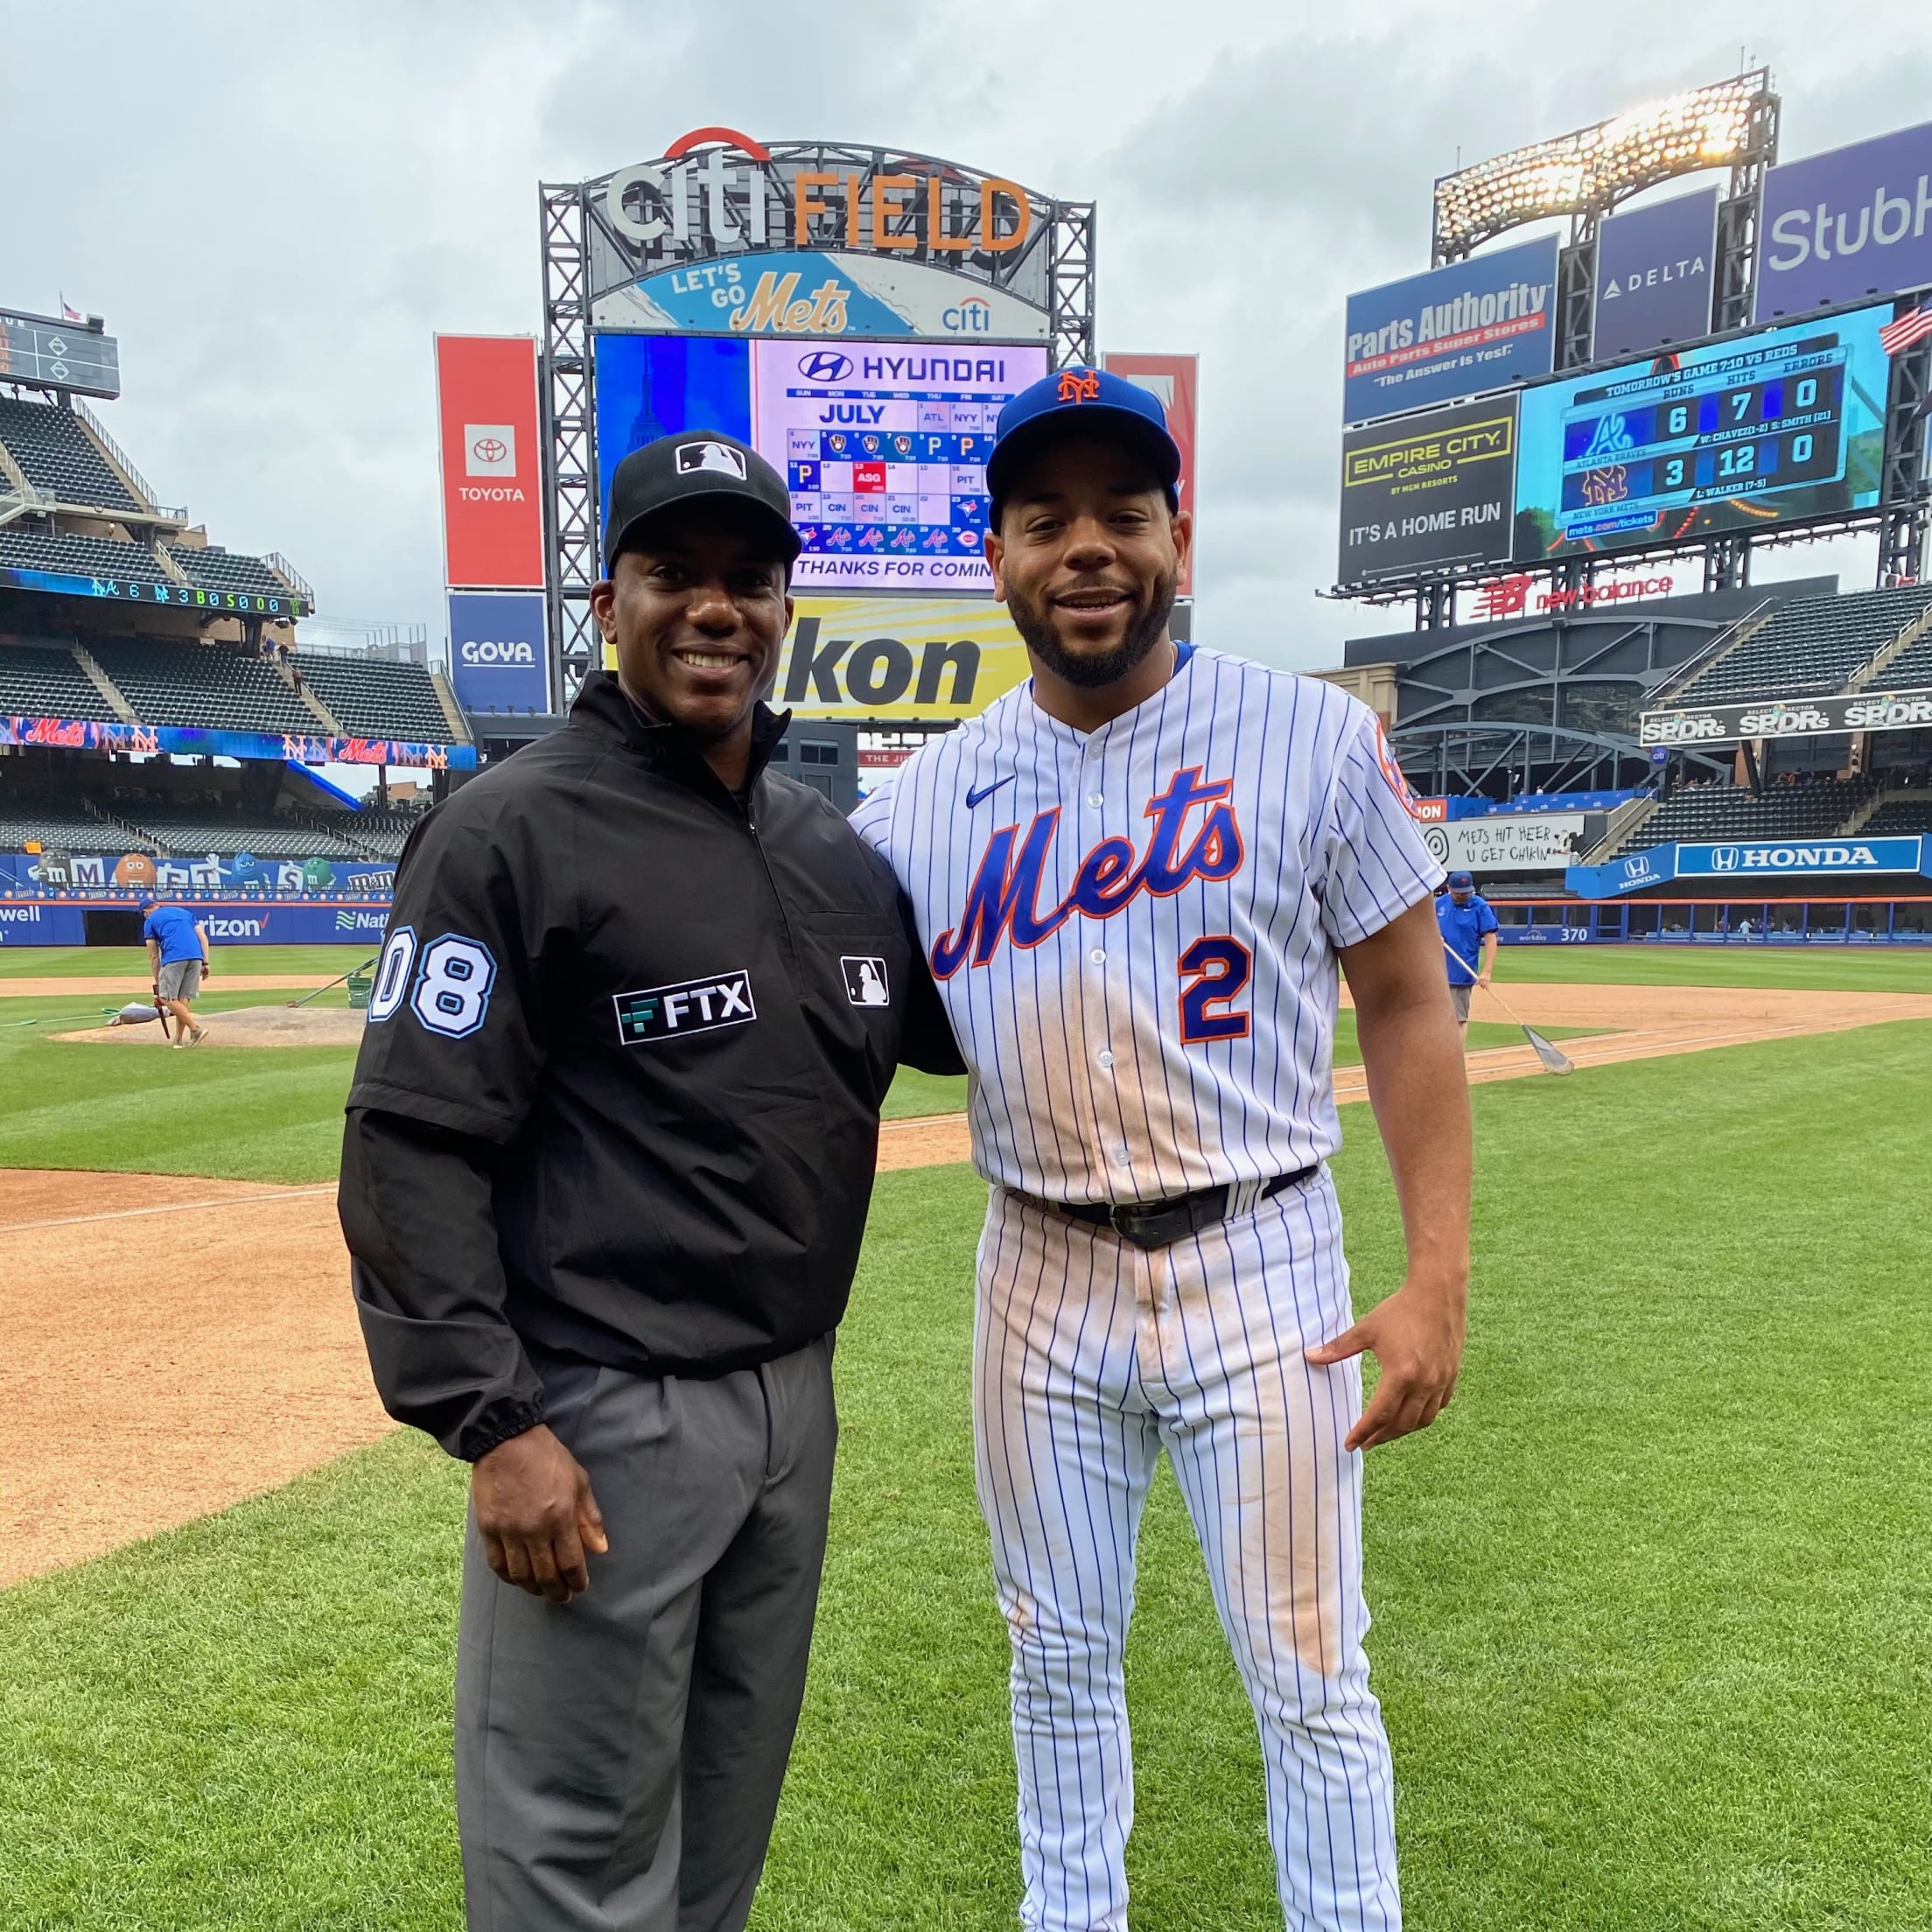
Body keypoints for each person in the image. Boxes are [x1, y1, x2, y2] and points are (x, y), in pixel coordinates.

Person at [852, 367, 1472, 1931]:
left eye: (1121, 513)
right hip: (1036, 1272)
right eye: (1044, 517)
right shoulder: (916, 806)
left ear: (1176, 541)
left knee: (1308, 1668)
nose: (1086, 547)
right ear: (993, 554)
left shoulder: (1308, 737)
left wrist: (1436, 1276)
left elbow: (1405, 1003)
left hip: (1267, 1257)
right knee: (1053, 1658)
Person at [337, 430, 960, 1932]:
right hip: (599, 1410)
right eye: (670, 572)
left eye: (748, 579)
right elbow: (410, 1138)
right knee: (572, 1856)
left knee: (718, 1831)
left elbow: (959, 1029)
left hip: (788, 1408)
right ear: (605, 599)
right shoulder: (507, 828)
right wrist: (495, 1420)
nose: (713, 608)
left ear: (784, 607)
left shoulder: (833, 850)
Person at [1435, 869, 1499, 1040]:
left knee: (1458, 1020)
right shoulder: (1439, 904)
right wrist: (1432, 936)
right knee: (1433, 1019)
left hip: (1461, 972)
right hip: (1435, 971)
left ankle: (1457, 1062)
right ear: (1449, 888)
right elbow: (1422, 929)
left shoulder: (1479, 906)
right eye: (1459, 893)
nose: (1463, 896)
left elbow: (1491, 939)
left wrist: (1486, 972)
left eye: (1466, 892)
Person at [139, 894, 210, 1046]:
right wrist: (206, 962)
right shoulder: (185, 913)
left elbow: (153, 956)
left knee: (167, 998)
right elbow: (203, 937)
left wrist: (159, 985)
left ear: (146, 912)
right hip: (196, 957)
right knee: (183, 998)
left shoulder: (150, 921)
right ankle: (178, 1040)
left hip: (174, 957)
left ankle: (195, 1029)